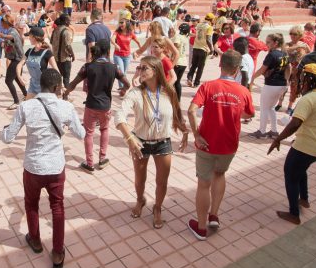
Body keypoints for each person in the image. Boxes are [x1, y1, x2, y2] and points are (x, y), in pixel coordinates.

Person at [1, 69, 84, 268]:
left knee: (31, 204)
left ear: (40, 85)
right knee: (57, 206)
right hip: (55, 167)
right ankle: (57, 252)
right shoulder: (65, 106)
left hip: (33, 167)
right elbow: (81, 134)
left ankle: (36, 240)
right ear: (57, 88)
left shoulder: (26, 106)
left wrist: (4, 129)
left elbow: (8, 137)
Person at [114, 56, 189, 229]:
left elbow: (177, 113)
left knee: (162, 182)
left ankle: (157, 208)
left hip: (163, 142)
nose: (139, 71)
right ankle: (141, 200)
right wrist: (129, 138)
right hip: (140, 143)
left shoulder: (168, 91)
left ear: (155, 70)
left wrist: (184, 131)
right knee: (140, 180)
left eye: (144, 68)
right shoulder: (134, 93)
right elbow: (119, 115)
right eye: (138, 68)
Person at [187, 50, 254, 240]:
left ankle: (201, 227)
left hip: (206, 144)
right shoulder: (243, 91)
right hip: (229, 144)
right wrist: (233, 111)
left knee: (203, 184)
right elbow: (249, 114)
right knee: (220, 174)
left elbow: (191, 111)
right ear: (237, 69)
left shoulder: (208, 86)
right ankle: (214, 215)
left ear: (220, 65)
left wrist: (197, 135)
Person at [269, 64, 316, 225]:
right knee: (301, 169)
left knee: (290, 174)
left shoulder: (308, 99)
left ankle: (294, 214)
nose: (300, 80)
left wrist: (278, 139)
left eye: (303, 77)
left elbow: (295, 123)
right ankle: (304, 199)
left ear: (310, 79)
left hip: (308, 147)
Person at [65, 39, 130, 172]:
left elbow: (73, 83)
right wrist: (123, 90)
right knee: (104, 130)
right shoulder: (114, 67)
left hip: (90, 105)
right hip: (106, 106)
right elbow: (127, 84)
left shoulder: (88, 67)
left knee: (88, 133)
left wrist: (65, 93)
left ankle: (89, 163)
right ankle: (102, 159)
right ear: (108, 51)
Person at [250, 33, 288, 139]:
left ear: (275, 43)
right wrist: (287, 82)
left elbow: (263, 69)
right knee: (271, 108)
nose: (267, 44)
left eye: (268, 42)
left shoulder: (272, 54)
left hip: (271, 84)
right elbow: (288, 69)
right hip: (281, 84)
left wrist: (252, 78)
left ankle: (262, 131)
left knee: (264, 108)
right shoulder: (285, 53)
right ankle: (274, 130)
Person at [0, 15, 28, 109]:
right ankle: (27, 95)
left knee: (8, 81)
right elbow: (11, 41)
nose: (1, 24)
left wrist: (3, 36)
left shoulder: (12, 31)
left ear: (5, 23)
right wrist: (4, 42)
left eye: (2, 22)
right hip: (18, 59)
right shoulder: (12, 30)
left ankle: (16, 101)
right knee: (17, 79)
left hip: (17, 60)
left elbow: (11, 37)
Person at [186, 13, 215, 87]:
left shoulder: (199, 25)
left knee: (193, 65)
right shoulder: (209, 27)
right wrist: (211, 49)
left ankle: (189, 78)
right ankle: (196, 83)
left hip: (195, 47)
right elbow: (208, 38)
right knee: (200, 67)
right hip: (203, 49)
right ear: (211, 20)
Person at [112, 20, 140, 91]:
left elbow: (138, 42)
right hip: (118, 55)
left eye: (122, 23)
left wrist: (139, 51)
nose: (120, 24)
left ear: (126, 24)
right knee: (121, 72)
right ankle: (122, 89)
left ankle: (122, 87)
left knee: (124, 73)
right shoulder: (117, 32)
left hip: (127, 56)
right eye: (120, 23)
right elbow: (112, 39)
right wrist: (115, 44)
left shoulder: (130, 33)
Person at [50, 14, 75, 88]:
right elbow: (68, 46)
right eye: (69, 20)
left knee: (57, 77)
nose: (69, 21)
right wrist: (73, 55)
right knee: (66, 78)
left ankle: (57, 94)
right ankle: (65, 95)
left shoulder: (55, 30)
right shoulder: (66, 32)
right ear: (65, 21)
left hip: (56, 58)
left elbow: (51, 42)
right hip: (65, 58)